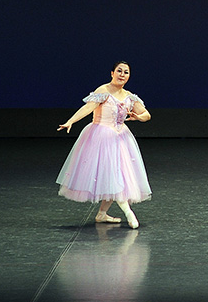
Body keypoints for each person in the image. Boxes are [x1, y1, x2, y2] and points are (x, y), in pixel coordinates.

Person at [56, 61, 151, 229]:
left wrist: (138, 117)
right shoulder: (103, 91)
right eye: (119, 71)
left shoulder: (129, 96)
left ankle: (101, 214)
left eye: (126, 72)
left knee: (117, 176)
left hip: (121, 139)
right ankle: (128, 212)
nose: (122, 74)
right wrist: (71, 121)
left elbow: (146, 114)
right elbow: (88, 108)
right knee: (113, 175)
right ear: (112, 73)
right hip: (102, 138)